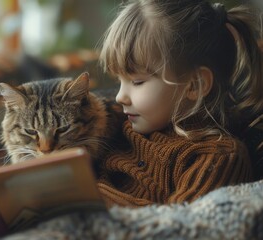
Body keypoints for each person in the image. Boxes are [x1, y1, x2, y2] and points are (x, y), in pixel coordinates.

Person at [97, 0, 263, 207]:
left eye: (137, 82)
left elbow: (177, 224)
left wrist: (90, 199)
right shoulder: (120, 129)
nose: (120, 96)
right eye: (118, 81)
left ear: (195, 85)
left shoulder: (217, 157)